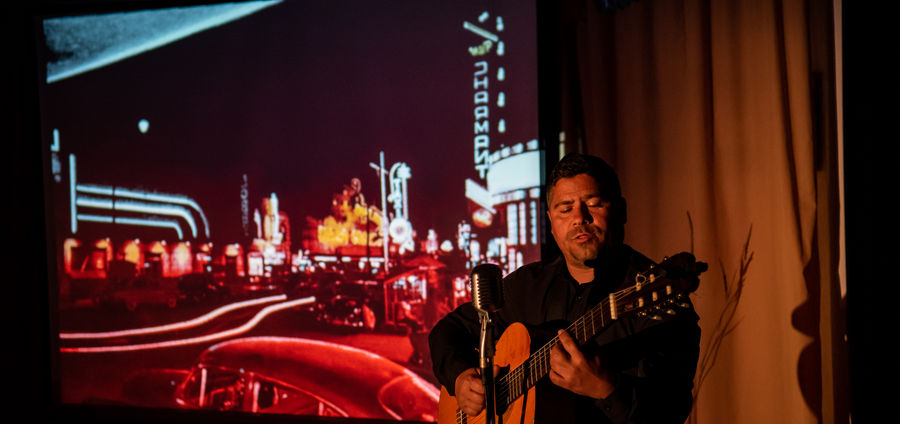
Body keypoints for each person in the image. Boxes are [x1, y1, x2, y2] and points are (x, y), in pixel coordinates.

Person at [428, 153, 701, 423]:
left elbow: (671, 410)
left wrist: (606, 389)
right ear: (551, 220)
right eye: (565, 208)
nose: (579, 218)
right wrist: (461, 377)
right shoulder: (527, 285)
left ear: (621, 210)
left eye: (594, 204)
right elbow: (449, 330)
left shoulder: (662, 302)